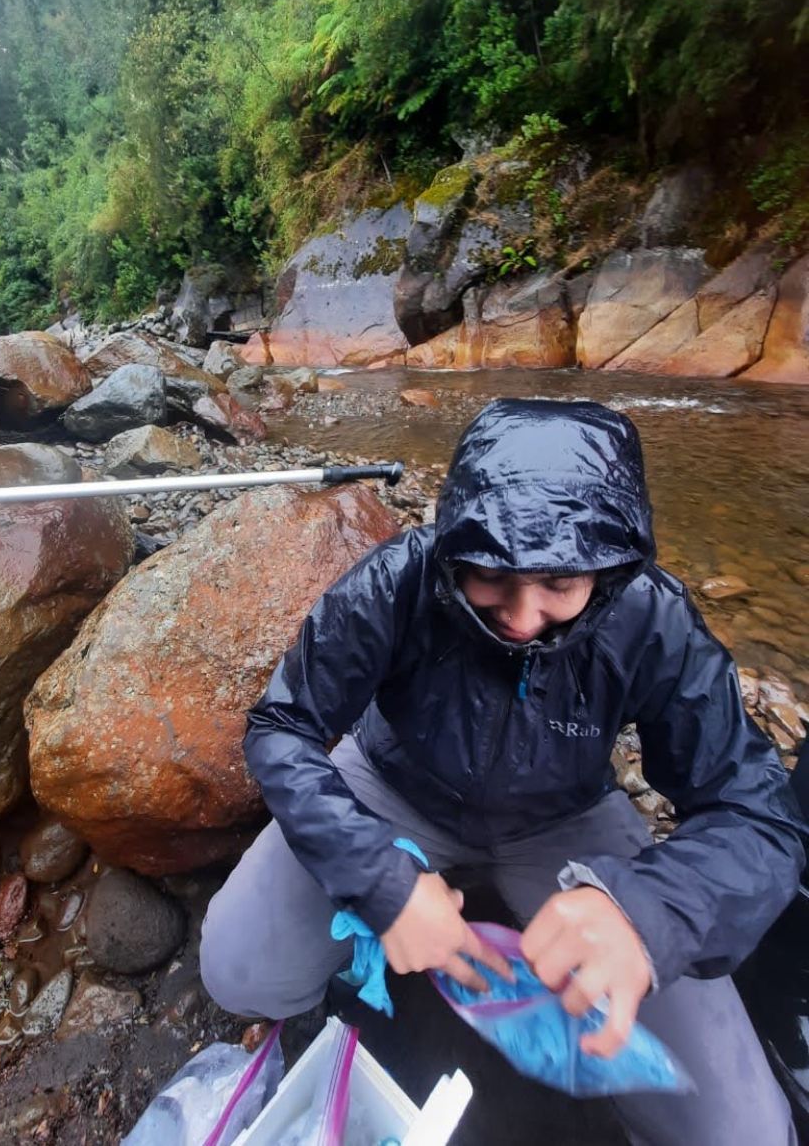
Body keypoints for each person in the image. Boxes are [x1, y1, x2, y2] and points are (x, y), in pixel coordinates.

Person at [200, 398, 806, 1145]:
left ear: (611, 569)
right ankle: (364, 965)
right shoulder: (398, 580)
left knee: (739, 1132)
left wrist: (646, 912)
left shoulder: (653, 619)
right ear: (454, 544)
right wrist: (383, 882)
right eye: (490, 573)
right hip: (392, 783)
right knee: (236, 970)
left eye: (559, 581)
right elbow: (281, 725)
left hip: (565, 820)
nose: (522, 616)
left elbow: (759, 818)